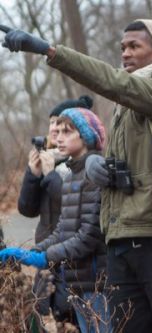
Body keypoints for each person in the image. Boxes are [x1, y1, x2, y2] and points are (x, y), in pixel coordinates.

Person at [0, 19, 152, 333]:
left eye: (134, 46)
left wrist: (47, 50)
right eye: (123, 47)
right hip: (122, 239)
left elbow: (113, 82)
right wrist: (102, 168)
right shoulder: (126, 106)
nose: (125, 53)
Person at [0, 107, 108, 333]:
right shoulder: (70, 176)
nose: (57, 137)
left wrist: (45, 257)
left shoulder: (94, 171)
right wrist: (31, 253)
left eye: (66, 132)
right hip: (75, 278)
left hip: (96, 280)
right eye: (56, 131)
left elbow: (88, 236)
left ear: (86, 136)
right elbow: (62, 230)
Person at [17, 95, 92, 323]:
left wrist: (51, 175)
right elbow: (27, 209)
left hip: (72, 256)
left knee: (76, 318)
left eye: (59, 124)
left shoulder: (83, 163)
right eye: (51, 123)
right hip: (46, 254)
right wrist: (33, 174)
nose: (52, 129)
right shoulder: (49, 158)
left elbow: (73, 208)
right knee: (48, 316)